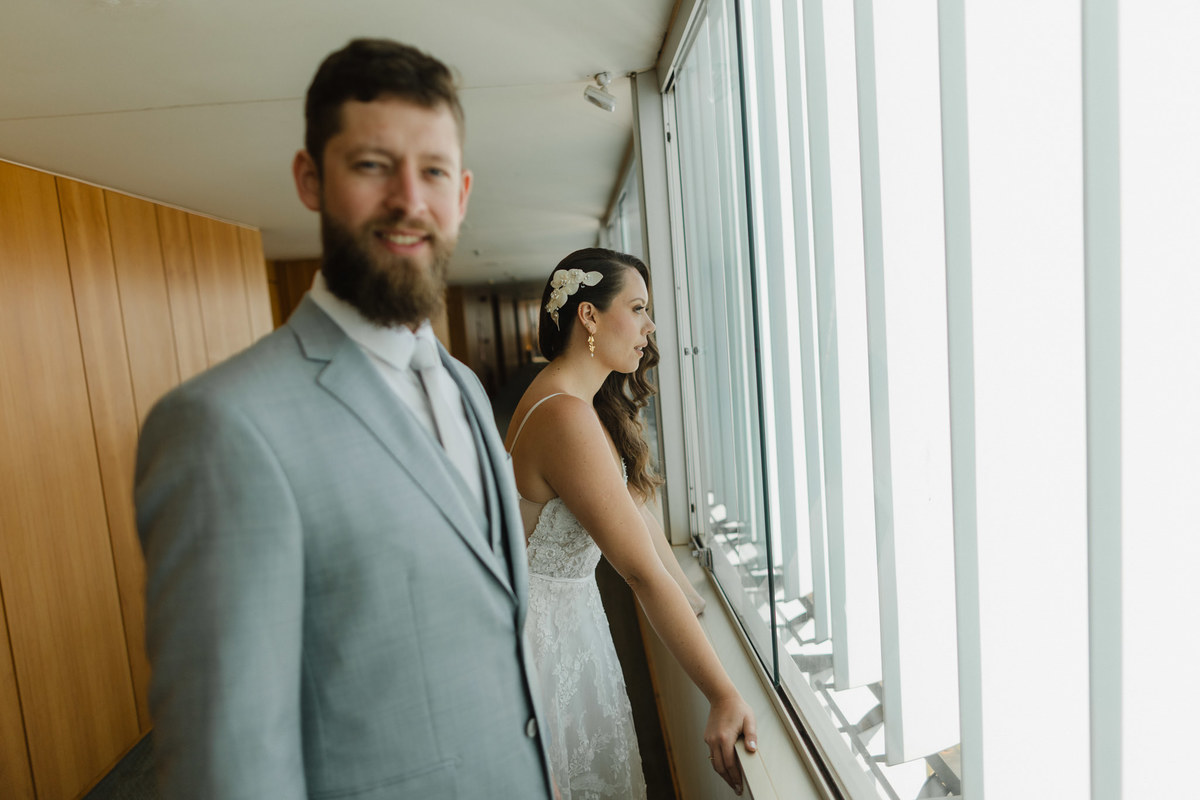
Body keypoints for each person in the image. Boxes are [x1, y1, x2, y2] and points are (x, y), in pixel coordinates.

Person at [135, 39, 554, 799]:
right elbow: (227, 768)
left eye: (432, 172)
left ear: (460, 193)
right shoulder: (222, 427)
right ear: (310, 179)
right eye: (371, 165)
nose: (408, 199)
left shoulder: (462, 385)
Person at [504, 248, 758, 799]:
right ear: (589, 316)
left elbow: (633, 513)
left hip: (563, 626)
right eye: (638, 307)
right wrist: (722, 693)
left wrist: (690, 594)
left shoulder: (566, 398)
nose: (650, 327)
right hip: (547, 643)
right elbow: (640, 575)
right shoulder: (564, 416)